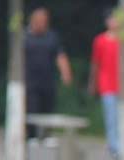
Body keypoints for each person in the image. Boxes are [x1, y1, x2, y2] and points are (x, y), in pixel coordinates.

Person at [90, 8, 124, 160]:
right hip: (107, 85)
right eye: (112, 19)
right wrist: (93, 83)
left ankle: (121, 145)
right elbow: (96, 63)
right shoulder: (100, 41)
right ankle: (114, 147)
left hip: (122, 85)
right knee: (111, 118)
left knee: (122, 117)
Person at [23, 7, 73, 139]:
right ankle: (32, 137)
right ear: (33, 20)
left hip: (48, 81)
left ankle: (46, 136)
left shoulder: (52, 37)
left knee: (47, 109)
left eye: (44, 21)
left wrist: (65, 72)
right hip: (30, 81)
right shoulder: (25, 36)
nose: (42, 23)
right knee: (32, 109)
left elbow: (60, 55)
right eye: (39, 20)